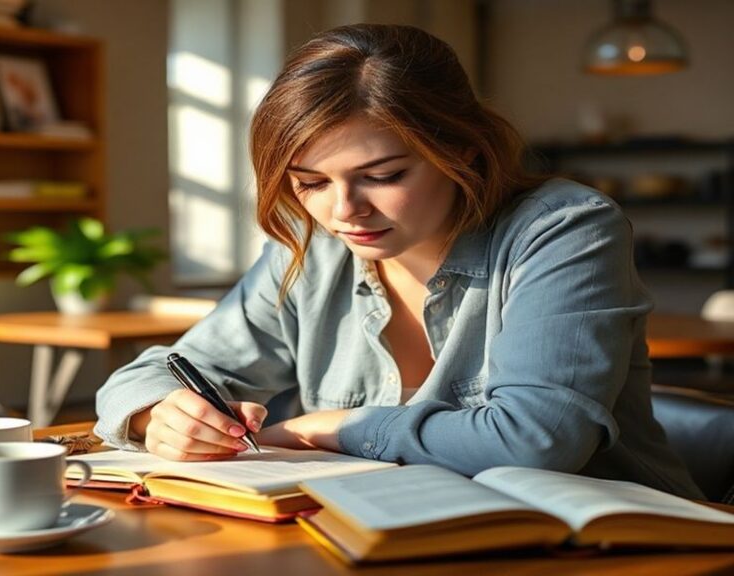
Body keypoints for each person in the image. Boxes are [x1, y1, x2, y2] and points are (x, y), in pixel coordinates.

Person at [95, 23, 702, 499]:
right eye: (309, 183)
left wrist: (327, 427)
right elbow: (157, 374)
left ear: (460, 148)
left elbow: (536, 440)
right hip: (388, 531)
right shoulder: (308, 249)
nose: (343, 212)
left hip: (603, 543)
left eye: (382, 176)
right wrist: (160, 416)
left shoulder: (563, 229)